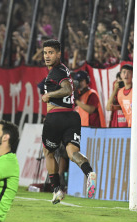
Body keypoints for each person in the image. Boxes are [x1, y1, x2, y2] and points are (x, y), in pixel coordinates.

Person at [41, 39, 97, 204]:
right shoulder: (63, 70)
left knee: (49, 153)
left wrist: (49, 95)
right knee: (72, 153)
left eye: (51, 52)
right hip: (72, 116)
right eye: (45, 53)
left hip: (56, 117)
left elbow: (67, 89)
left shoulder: (56, 72)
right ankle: (89, 172)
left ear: (59, 54)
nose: (47, 56)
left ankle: (57, 190)